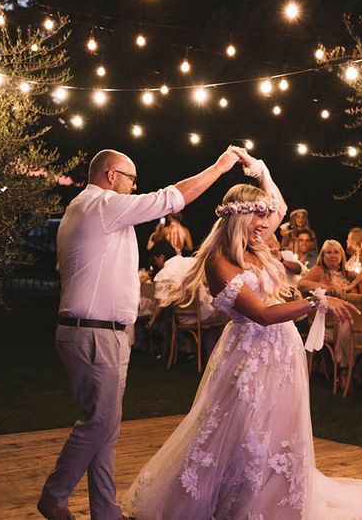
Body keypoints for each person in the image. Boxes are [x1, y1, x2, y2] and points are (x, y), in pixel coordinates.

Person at [122, 153, 362, 520]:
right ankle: (234, 501)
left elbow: (278, 205)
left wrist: (261, 168)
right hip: (249, 356)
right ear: (237, 218)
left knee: (280, 430)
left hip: (283, 354)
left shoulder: (258, 247)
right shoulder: (220, 260)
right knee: (240, 430)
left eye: (264, 219)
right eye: (256, 219)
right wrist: (316, 303)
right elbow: (262, 315)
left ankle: (276, 500)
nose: (264, 225)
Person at [37, 147, 241, 520]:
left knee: (106, 427)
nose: (135, 186)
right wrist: (221, 166)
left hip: (103, 332)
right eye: (132, 179)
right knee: (98, 422)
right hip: (94, 333)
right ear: (111, 176)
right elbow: (173, 196)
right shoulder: (100, 206)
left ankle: (105, 510)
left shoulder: (93, 210)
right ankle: (55, 495)